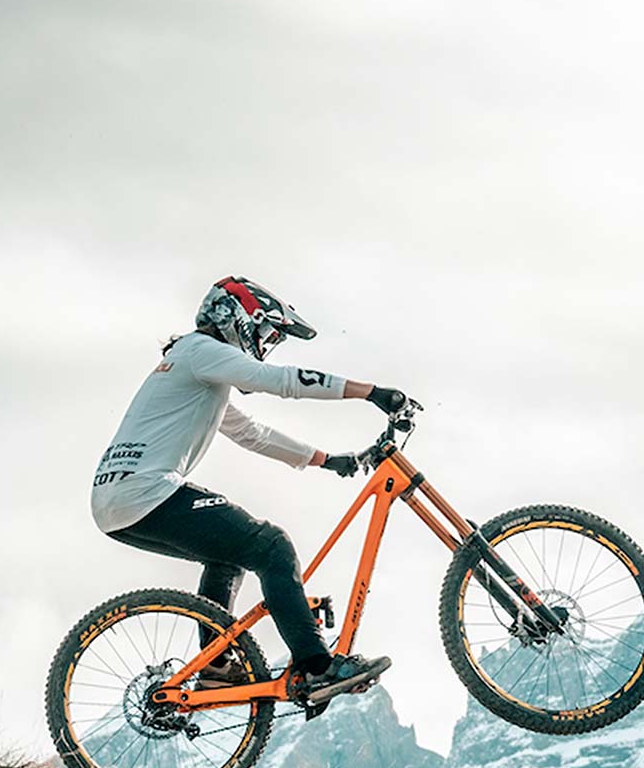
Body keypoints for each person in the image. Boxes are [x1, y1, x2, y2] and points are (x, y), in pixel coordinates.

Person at [91, 276, 408, 709]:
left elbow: (250, 433)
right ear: (238, 317)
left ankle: (217, 669)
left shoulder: (193, 365)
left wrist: (327, 459)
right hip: (145, 492)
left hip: (117, 503)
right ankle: (318, 668)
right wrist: (370, 392)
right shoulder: (201, 352)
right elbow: (277, 380)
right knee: (272, 546)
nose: (265, 343)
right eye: (266, 332)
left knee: (228, 556)